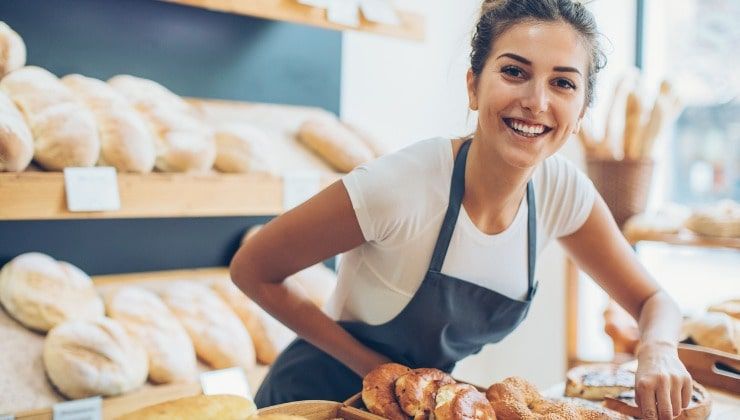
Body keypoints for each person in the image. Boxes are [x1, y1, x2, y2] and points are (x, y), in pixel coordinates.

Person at [230, 1, 692, 419]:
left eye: (563, 83)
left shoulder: (562, 192)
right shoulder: (402, 184)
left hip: (421, 406)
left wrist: (659, 350)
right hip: (316, 402)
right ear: (474, 87)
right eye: (514, 72)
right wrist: (382, 373)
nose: (536, 101)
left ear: (580, 112)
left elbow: (655, 302)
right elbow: (252, 268)